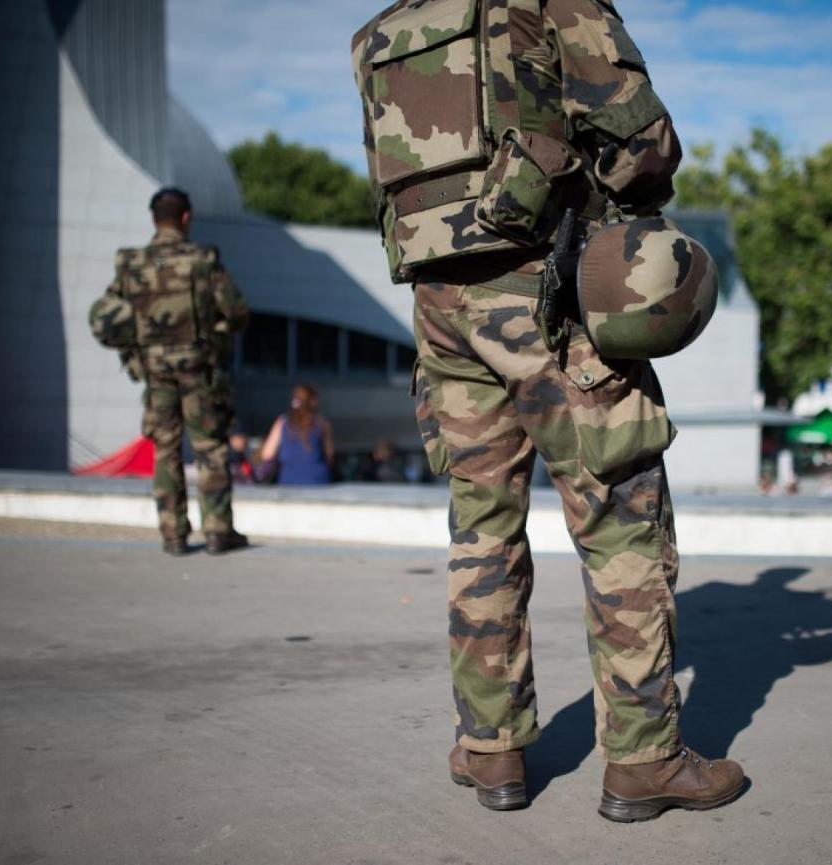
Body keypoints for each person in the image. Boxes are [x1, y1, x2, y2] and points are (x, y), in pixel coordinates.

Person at [353, 0, 743, 822]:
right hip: (546, 288)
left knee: (482, 528)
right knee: (620, 518)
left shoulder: (386, 30)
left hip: (439, 306)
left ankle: (489, 749)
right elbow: (645, 146)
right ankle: (644, 759)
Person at [89, 188, 250, 556]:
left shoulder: (131, 264)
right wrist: (217, 333)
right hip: (200, 368)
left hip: (155, 371)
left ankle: (173, 534)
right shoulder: (203, 260)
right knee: (209, 447)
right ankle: (217, 530)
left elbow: (109, 315)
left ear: (153, 220)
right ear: (186, 217)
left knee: (165, 449)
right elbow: (237, 311)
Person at [259, 384, 335, 486]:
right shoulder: (322, 425)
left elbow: (267, 454)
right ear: (313, 402)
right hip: (317, 481)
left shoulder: (282, 423)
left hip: (289, 480)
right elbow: (329, 457)